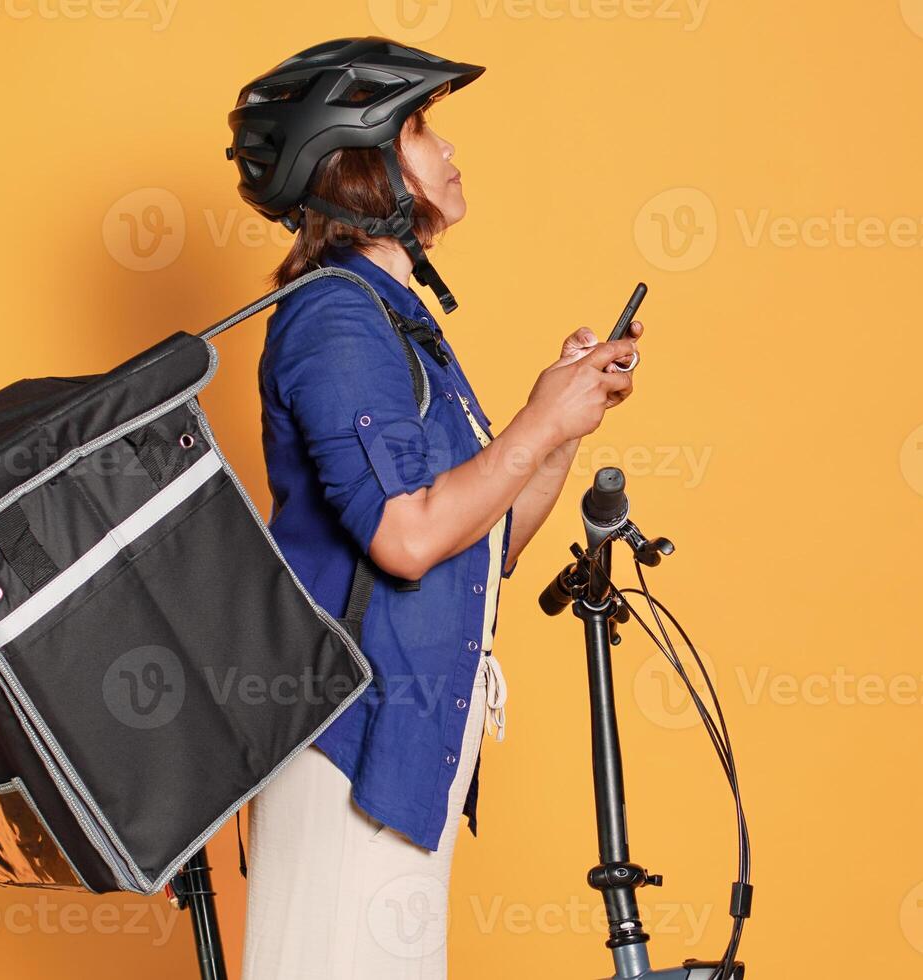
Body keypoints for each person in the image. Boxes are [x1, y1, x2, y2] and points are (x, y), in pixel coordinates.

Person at [224, 37, 640, 978]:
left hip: (409, 750)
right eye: (421, 127)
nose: (448, 151)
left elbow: (480, 548)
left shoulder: (394, 321)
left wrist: (565, 423)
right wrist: (533, 424)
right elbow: (406, 539)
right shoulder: (333, 321)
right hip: (348, 754)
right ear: (363, 162)